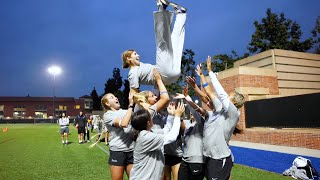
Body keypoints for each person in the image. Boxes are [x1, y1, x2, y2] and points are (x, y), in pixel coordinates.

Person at [122, 0, 187, 93]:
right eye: (135, 54)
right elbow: (134, 91)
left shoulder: (141, 67)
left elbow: (155, 82)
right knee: (161, 46)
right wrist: (133, 105)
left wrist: (158, 95)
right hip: (164, 74)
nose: (138, 55)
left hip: (172, 76)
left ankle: (181, 15)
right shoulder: (132, 73)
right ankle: (161, 8)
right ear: (128, 58)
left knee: (174, 45)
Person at [197, 56, 245, 180]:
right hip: (210, 156)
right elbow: (210, 92)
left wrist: (211, 72)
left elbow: (221, 94)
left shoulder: (234, 113)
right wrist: (202, 75)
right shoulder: (220, 108)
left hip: (219, 159)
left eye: (229, 96)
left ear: (234, 103)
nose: (226, 98)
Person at [129, 102, 185, 180]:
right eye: (150, 117)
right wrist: (177, 116)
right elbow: (172, 137)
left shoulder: (147, 132)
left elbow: (166, 131)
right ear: (148, 123)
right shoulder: (145, 137)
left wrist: (171, 115)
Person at [101, 92, 135, 180]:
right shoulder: (108, 115)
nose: (116, 98)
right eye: (112, 97)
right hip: (117, 151)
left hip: (132, 150)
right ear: (107, 103)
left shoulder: (125, 111)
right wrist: (131, 105)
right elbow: (124, 123)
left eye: (115, 96)